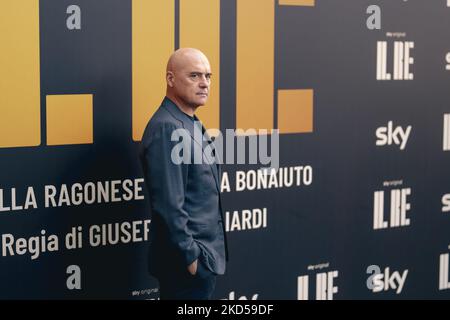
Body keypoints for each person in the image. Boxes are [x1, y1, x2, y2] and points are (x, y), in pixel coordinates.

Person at [139, 48, 228, 300]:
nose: (204, 83)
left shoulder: (189, 121)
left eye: (208, 76)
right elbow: (169, 206)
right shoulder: (167, 127)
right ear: (170, 79)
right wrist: (191, 259)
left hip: (202, 261)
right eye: (194, 76)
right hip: (185, 268)